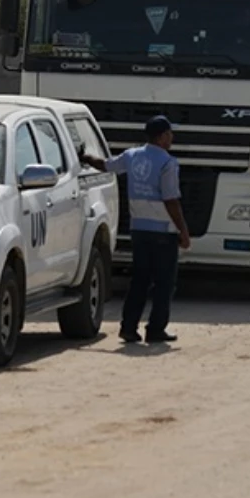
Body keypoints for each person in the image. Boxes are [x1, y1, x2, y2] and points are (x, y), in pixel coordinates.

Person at [81, 116, 190, 344]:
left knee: (140, 280)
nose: (172, 138)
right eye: (169, 134)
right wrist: (183, 230)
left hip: (139, 229)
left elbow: (106, 165)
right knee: (164, 283)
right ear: (161, 137)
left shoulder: (132, 156)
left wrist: (84, 157)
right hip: (163, 231)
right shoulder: (168, 163)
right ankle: (156, 329)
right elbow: (171, 200)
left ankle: (128, 327)